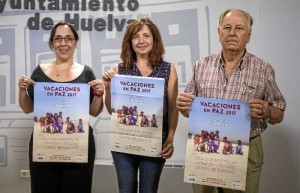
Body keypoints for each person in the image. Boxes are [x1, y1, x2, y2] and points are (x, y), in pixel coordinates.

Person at [176, 9, 286, 193]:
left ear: (248, 35)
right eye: (227, 27)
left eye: (239, 28)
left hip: (246, 148)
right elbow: (189, 110)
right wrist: (182, 106)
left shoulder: (263, 69)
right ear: (219, 32)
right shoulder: (201, 65)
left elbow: (279, 113)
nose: (232, 33)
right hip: (206, 148)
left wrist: (268, 111)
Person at [18, 22, 104, 193]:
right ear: (52, 43)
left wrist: (100, 95)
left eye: (68, 39)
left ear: (75, 42)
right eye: (58, 39)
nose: (63, 43)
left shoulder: (86, 73)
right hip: (45, 145)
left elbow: (94, 112)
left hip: (78, 145)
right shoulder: (39, 71)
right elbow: (28, 109)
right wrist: (22, 90)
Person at [102, 18, 178, 193]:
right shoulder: (118, 69)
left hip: (155, 141)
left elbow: (172, 108)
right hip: (124, 143)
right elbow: (111, 110)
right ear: (130, 42)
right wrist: (107, 86)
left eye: (146, 36)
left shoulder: (168, 69)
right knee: (126, 190)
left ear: (155, 40)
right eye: (136, 37)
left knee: (148, 190)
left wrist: (171, 137)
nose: (141, 41)